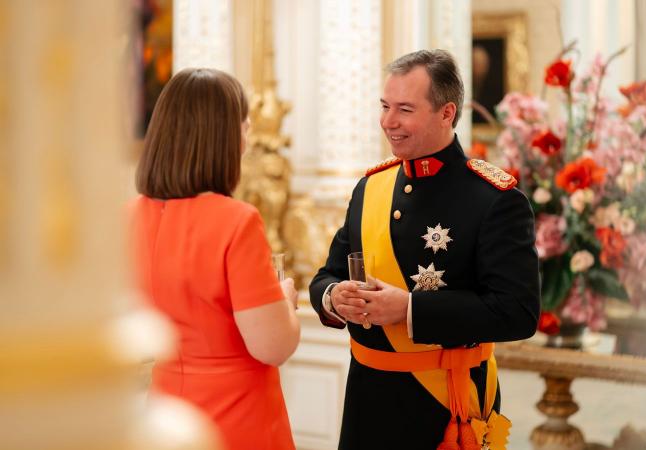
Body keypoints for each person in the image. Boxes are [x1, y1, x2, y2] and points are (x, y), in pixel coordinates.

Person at [309, 49, 540, 450]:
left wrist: (409, 310)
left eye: (404, 109)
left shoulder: (494, 199)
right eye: (384, 106)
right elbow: (326, 274)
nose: (387, 122)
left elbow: (518, 313)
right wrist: (333, 297)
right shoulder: (370, 188)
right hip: (367, 407)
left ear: (446, 113)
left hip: (444, 410)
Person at [130, 68, 299, 450]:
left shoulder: (128, 217)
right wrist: (285, 300)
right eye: (244, 125)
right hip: (237, 418)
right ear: (222, 136)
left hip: (166, 412)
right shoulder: (236, 221)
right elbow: (273, 346)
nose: (247, 137)